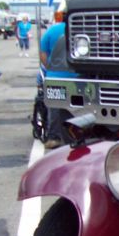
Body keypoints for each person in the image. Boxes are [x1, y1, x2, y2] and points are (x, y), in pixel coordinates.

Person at [38, 21, 72, 149]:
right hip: (77, 76)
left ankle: (54, 137)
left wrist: (51, 68)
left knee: (54, 108)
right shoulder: (81, 28)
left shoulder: (51, 31)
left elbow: (43, 54)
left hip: (55, 76)